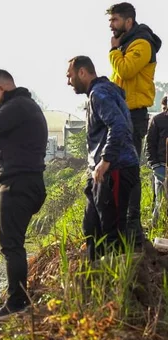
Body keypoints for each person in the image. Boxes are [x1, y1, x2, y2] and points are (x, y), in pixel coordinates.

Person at [0, 69, 47, 319]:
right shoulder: (24, 106)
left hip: (18, 183)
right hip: (26, 182)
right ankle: (16, 297)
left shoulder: (17, 106)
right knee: (13, 245)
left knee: (12, 245)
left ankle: (17, 304)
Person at [66, 55, 140, 262]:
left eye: (70, 76)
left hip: (115, 169)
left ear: (82, 72)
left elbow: (118, 126)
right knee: (91, 227)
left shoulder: (99, 94)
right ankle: (95, 283)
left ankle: (118, 286)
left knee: (111, 232)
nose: (68, 82)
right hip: (103, 173)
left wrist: (105, 159)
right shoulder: (102, 93)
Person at [107, 2, 162, 246]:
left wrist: (113, 52)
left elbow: (127, 71)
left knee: (130, 171)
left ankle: (133, 227)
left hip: (135, 115)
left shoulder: (141, 44)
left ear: (129, 22)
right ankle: (123, 226)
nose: (111, 25)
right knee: (122, 171)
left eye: (115, 20)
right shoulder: (127, 45)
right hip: (122, 114)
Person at [145, 96, 168, 226]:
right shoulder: (157, 120)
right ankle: (156, 228)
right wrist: (154, 165)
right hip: (161, 166)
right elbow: (149, 144)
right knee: (160, 201)